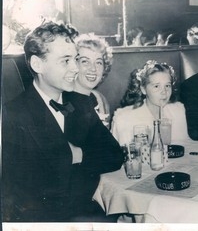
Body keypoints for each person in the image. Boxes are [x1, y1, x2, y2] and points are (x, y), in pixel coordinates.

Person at [2, 22, 123, 222]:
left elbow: (115, 156)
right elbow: (17, 192)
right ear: (37, 64)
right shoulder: (12, 114)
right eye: (66, 61)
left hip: (86, 214)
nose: (76, 68)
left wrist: (78, 154)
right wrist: (70, 157)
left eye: (75, 59)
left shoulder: (80, 103)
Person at [111, 60, 190, 145]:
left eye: (167, 86)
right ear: (143, 89)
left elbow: (187, 147)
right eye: (156, 86)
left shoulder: (178, 111)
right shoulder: (124, 119)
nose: (164, 92)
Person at [66, 33, 113, 128]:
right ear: (74, 64)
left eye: (98, 62)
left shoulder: (100, 100)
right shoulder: (63, 102)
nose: (93, 69)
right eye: (85, 61)